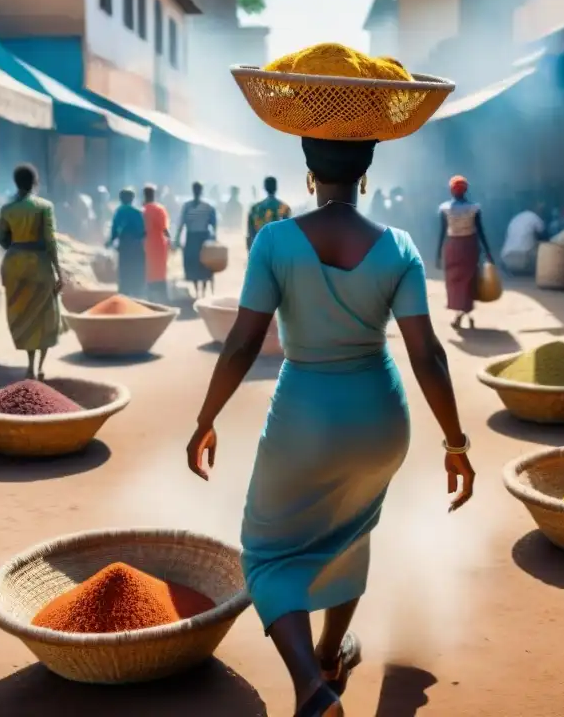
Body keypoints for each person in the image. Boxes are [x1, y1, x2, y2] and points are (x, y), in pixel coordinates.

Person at [187, 57, 476, 717]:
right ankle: (329, 653)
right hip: (380, 416)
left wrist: (205, 419)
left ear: (309, 173)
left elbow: (240, 343)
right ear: (367, 172)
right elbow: (427, 354)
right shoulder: (399, 246)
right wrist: (455, 442)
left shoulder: (275, 241)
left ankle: (311, 687)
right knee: (351, 531)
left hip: (305, 415)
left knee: (266, 552)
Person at [0, 164, 63, 379]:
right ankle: (39, 367)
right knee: (43, 315)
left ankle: (29, 364)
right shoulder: (44, 207)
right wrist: (59, 270)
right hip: (38, 265)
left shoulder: (7, 209)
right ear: (36, 182)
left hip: (14, 265)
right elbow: (51, 240)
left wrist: (16, 248)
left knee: (22, 313)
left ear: (16, 183)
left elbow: (0, 237)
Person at [435, 175, 495, 329]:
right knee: (469, 280)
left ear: (451, 190)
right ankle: (465, 312)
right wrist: (488, 252)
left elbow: (442, 233)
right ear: (465, 190)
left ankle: (460, 314)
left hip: (452, 247)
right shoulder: (474, 208)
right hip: (470, 246)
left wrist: (438, 254)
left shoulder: (444, 209)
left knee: (454, 281)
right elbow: (481, 232)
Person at [175, 181, 217, 298]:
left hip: (201, 238)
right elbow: (181, 223)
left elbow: (214, 224)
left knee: (203, 265)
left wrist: (214, 239)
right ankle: (197, 290)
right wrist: (177, 239)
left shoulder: (207, 207)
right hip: (194, 237)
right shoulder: (188, 206)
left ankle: (202, 292)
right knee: (193, 264)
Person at [107, 187, 146, 297]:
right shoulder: (138, 212)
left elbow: (114, 231)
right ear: (132, 199)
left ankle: (124, 297)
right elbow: (143, 231)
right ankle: (137, 296)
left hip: (124, 247)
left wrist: (110, 242)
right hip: (137, 247)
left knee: (124, 273)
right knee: (136, 273)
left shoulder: (119, 212)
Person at [142, 184, 172, 302]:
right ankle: (164, 298)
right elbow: (164, 229)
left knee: (148, 269)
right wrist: (171, 240)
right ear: (154, 195)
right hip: (159, 244)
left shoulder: (142, 210)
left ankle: (149, 298)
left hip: (147, 244)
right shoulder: (159, 209)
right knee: (160, 270)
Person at [500, 202, 547, 275]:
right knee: (545, 248)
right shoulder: (535, 217)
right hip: (523, 260)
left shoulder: (516, 218)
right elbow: (544, 237)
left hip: (506, 259)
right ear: (535, 209)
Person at [247, 176, 291, 252]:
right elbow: (287, 234)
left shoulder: (255, 208)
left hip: (260, 250)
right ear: (276, 188)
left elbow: (250, 233)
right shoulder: (284, 208)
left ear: (264, 188)